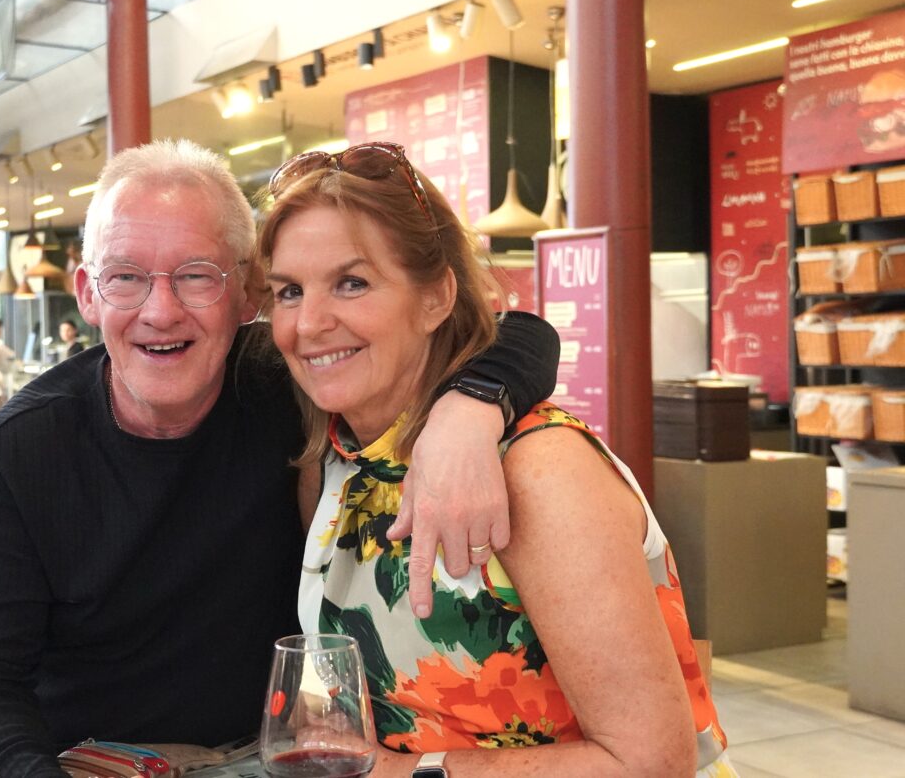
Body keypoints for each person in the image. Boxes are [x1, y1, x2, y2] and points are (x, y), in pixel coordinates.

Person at [0, 139, 560, 777]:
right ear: (88, 294)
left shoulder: (287, 380)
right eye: (125, 277)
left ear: (247, 293)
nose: (160, 310)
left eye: (196, 275)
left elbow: (517, 332)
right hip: (94, 759)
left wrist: (469, 409)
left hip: (274, 755)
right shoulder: (21, 448)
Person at [256, 142, 736, 777]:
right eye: (289, 291)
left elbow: (649, 762)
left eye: (352, 282)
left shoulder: (538, 470)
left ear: (436, 297)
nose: (309, 322)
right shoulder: (334, 460)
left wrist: (392, 772)